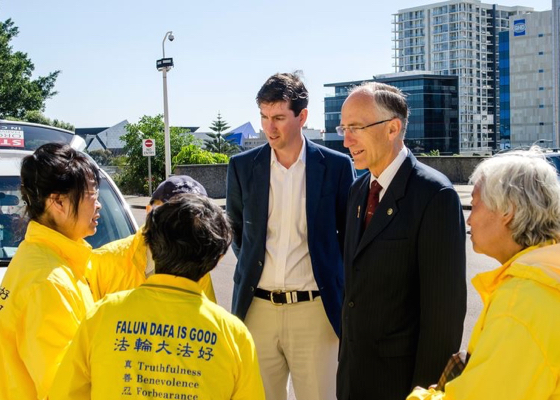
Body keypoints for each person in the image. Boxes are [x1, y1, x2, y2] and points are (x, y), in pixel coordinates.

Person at [50, 193, 265, 400]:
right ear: (217, 259)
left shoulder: (102, 315)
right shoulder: (234, 336)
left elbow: (65, 393)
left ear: (150, 245)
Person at [226, 72, 355, 400]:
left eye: (280, 118)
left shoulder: (337, 168)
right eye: (265, 117)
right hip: (257, 310)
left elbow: (348, 238)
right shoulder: (242, 167)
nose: (270, 128)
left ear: (302, 117)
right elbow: (237, 232)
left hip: (315, 312)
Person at [337, 82, 467, 400]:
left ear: (393, 128)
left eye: (356, 127)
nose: (345, 140)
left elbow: (443, 318)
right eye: (344, 127)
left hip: (401, 386)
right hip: (353, 379)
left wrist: (423, 392)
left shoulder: (435, 195)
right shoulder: (357, 191)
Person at [408, 149, 560, 400]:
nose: (469, 219)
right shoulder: (546, 274)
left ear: (507, 211)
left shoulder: (520, 303)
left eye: (476, 204)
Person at [0, 143, 147, 400]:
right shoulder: (50, 281)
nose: (99, 205)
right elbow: (66, 389)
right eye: (92, 194)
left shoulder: (43, 259)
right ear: (58, 201)